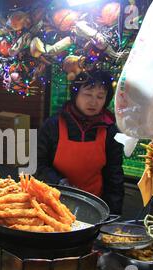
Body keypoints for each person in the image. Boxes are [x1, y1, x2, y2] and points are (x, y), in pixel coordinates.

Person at [36, 70, 124, 215]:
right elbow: (38, 164)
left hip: (93, 205)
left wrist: (112, 214)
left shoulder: (110, 131)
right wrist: (60, 183)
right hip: (53, 201)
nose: (93, 102)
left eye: (100, 97)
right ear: (75, 94)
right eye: (87, 94)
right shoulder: (53, 125)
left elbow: (114, 176)